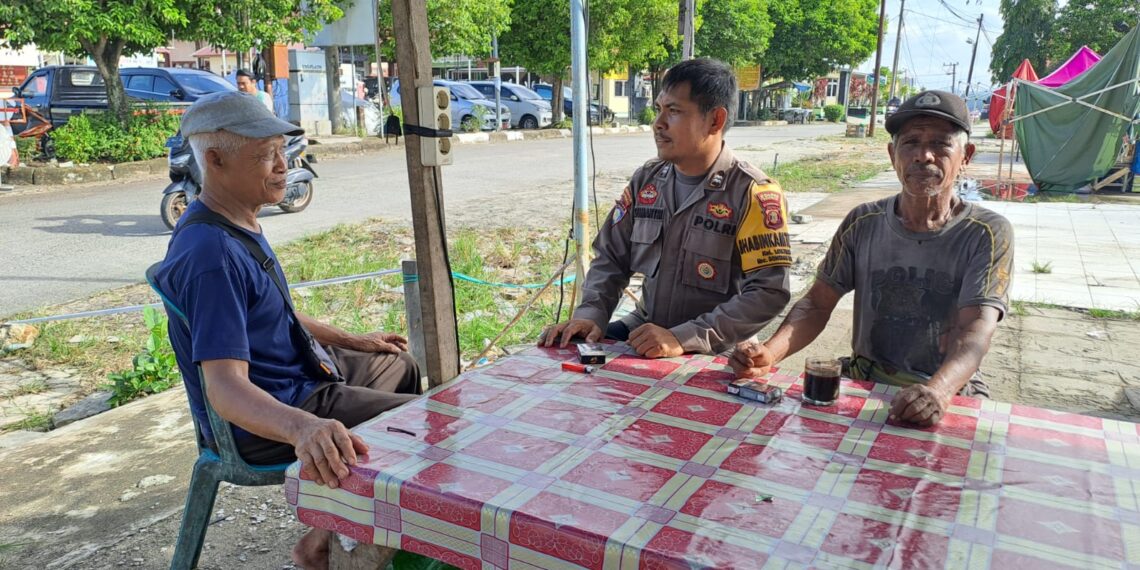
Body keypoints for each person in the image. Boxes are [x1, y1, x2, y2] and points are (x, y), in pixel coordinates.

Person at [153, 91, 421, 569]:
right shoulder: (210, 254)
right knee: (423, 426)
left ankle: (324, 531)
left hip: (299, 373)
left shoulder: (234, 218)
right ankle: (337, 545)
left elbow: (270, 312)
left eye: (282, 151)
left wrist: (353, 340)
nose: (282, 167)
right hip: (272, 407)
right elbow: (226, 387)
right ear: (214, 160)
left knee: (397, 365)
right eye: (265, 156)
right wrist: (304, 428)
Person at [732, 90, 1013, 427]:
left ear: (966, 155)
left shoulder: (986, 232)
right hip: (866, 380)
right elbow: (817, 304)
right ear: (893, 154)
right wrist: (769, 354)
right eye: (910, 143)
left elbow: (975, 330)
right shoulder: (862, 222)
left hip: (949, 390)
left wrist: (938, 391)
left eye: (940, 144)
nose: (924, 156)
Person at [539, 58, 792, 357]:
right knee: (563, 354)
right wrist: (591, 314)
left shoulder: (753, 193)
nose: (657, 123)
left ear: (715, 120)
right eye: (659, 109)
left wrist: (683, 338)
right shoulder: (647, 182)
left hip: (718, 346)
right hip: (647, 329)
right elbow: (611, 259)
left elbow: (768, 292)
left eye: (673, 111)